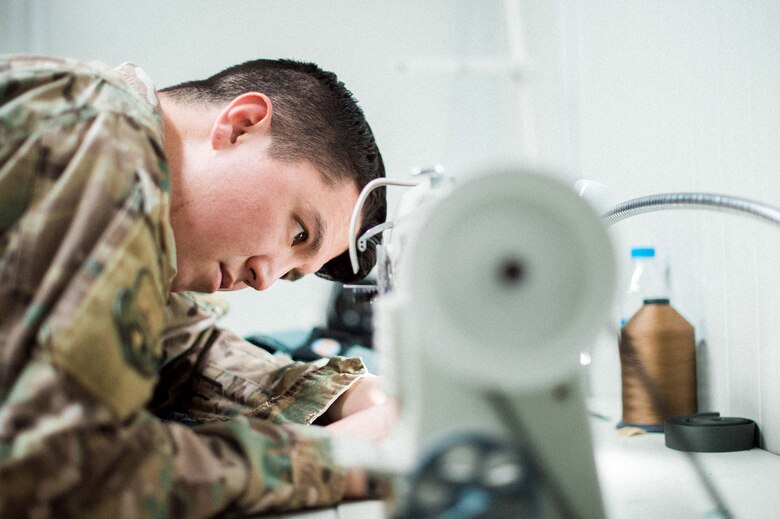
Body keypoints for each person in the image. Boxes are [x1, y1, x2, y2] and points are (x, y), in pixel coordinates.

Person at [0, 54, 393, 517]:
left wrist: (343, 396)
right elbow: (61, 473)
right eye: (299, 232)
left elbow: (185, 350)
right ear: (241, 124)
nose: (264, 279)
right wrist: (334, 459)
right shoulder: (103, 137)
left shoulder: (120, 152)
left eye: (290, 272)